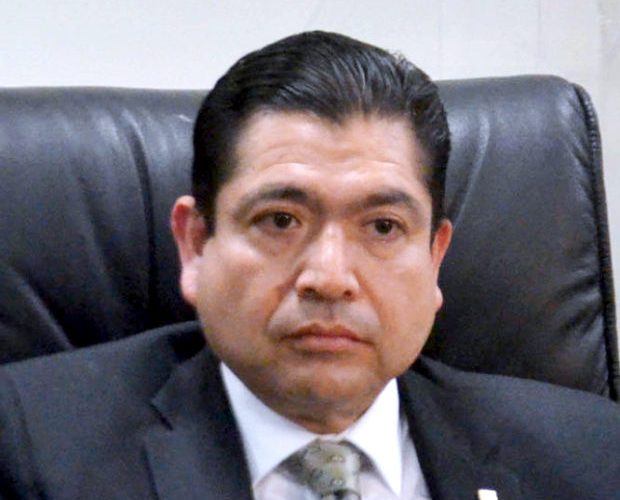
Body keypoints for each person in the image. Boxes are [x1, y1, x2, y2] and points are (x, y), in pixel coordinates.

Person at [0, 31, 619, 500]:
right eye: (280, 221)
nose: (329, 277)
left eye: (382, 227)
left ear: (435, 259)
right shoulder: (30, 449)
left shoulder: (590, 456)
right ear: (195, 244)